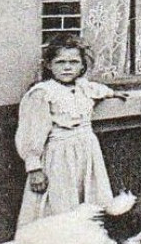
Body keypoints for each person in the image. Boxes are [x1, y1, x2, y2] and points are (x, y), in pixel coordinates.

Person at [15, 34, 124, 229]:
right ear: (49, 65)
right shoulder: (43, 93)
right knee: (61, 206)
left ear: (82, 66)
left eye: (74, 62)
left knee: (92, 201)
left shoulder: (83, 87)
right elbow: (31, 132)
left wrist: (112, 93)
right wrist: (34, 168)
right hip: (59, 157)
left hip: (87, 154)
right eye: (60, 62)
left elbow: (98, 89)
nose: (67, 67)